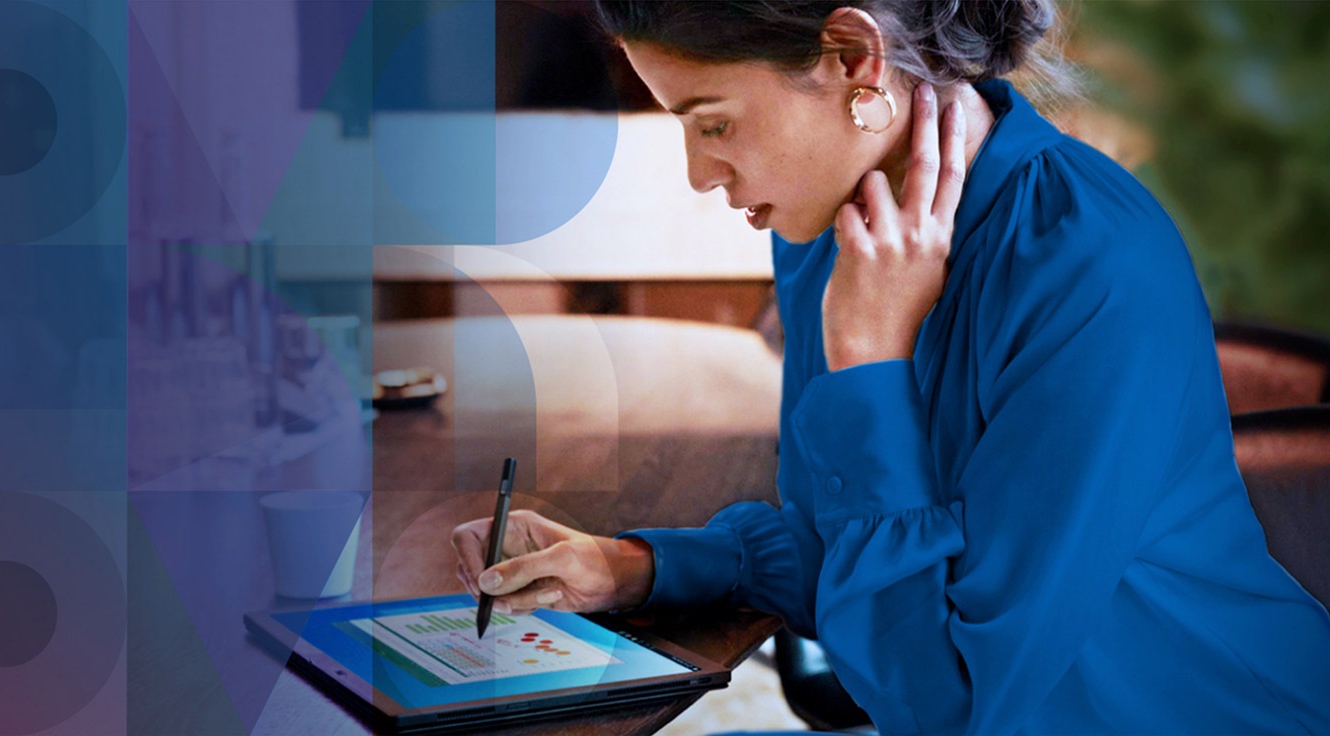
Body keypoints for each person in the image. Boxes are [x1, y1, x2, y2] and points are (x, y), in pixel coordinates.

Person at [449, 1, 1330, 732]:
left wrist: (871, 358)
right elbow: (849, 541)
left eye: (713, 122)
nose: (698, 174)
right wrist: (634, 566)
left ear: (853, 58)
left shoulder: (1088, 261)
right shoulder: (831, 232)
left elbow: (952, 702)